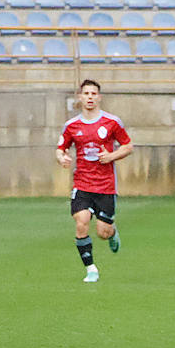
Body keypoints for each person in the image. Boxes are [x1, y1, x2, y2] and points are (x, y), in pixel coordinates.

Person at [55, 79, 133, 284]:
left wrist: (112, 156)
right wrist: (61, 157)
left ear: (99, 97)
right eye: (86, 93)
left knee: (102, 232)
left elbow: (128, 146)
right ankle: (91, 269)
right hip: (82, 184)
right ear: (80, 97)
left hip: (106, 185)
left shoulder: (111, 122)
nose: (89, 97)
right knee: (81, 224)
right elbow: (60, 148)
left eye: (93, 94)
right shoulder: (72, 125)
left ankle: (112, 231)